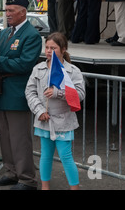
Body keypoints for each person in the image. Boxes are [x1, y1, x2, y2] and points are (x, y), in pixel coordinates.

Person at [0, 0, 42, 190]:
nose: (8, 13)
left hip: (18, 92)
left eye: (11, 10)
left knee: (20, 137)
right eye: (6, 10)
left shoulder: (31, 35)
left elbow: (24, 64)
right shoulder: (5, 34)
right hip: (2, 90)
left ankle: (27, 178)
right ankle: (11, 171)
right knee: (5, 135)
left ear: (23, 12)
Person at [25, 32, 86, 190]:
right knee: (45, 155)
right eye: (46, 47)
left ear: (63, 49)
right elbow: (29, 92)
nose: (48, 51)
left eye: (53, 48)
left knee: (66, 156)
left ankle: (75, 188)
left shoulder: (73, 71)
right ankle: (45, 187)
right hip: (44, 119)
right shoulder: (38, 69)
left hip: (64, 120)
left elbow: (80, 94)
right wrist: (39, 111)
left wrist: (58, 93)